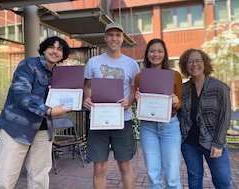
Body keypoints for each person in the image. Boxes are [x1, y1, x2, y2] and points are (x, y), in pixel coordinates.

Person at [0, 36, 73, 189]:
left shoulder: (58, 74)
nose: (55, 51)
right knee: (4, 177)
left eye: (60, 49)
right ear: (44, 48)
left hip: (43, 130)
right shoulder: (28, 65)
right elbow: (21, 93)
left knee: (40, 177)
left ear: (63, 55)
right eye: (51, 47)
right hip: (17, 128)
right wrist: (48, 110)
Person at [83, 23, 139, 189]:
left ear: (122, 39)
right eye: (110, 35)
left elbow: (134, 91)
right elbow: (87, 86)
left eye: (118, 35)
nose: (114, 38)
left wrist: (129, 101)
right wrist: (87, 98)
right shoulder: (93, 62)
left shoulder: (132, 64)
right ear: (105, 38)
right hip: (98, 120)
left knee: (124, 166)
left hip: (123, 120)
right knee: (99, 168)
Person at [178, 49, 232, 189]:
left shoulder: (220, 87)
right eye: (190, 61)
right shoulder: (182, 89)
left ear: (205, 63)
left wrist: (218, 143)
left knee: (223, 181)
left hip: (213, 143)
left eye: (198, 60)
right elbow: (178, 115)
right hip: (189, 144)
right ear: (185, 65)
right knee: (194, 178)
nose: (194, 64)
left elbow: (225, 117)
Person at [134, 38, 182, 189]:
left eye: (160, 51)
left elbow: (181, 102)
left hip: (170, 126)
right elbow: (140, 106)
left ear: (165, 54)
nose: (156, 54)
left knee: (172, 175)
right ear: (147, 54)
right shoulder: (139, 77)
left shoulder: (175, 75)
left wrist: (176, 102)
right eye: (152, 51)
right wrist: (137, 99)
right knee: (153, 174)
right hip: (148, 127)